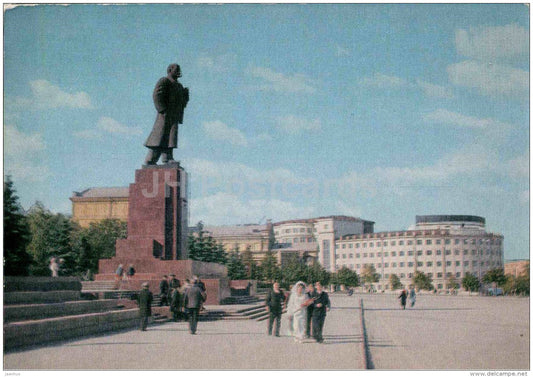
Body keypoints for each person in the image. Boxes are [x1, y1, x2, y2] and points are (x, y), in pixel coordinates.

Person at [144, 63, 189, 165]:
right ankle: (150, 159)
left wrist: (185, 97)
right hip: (165, 114)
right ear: (170, 70)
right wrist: (162, 109)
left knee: (171, 137)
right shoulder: (164, 80)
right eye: (176, 69)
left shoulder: (179, 85)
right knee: (159, 136)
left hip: (174, 115)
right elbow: (157, 94)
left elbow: (182, 103)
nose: (178, 71)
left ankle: (167, 158)